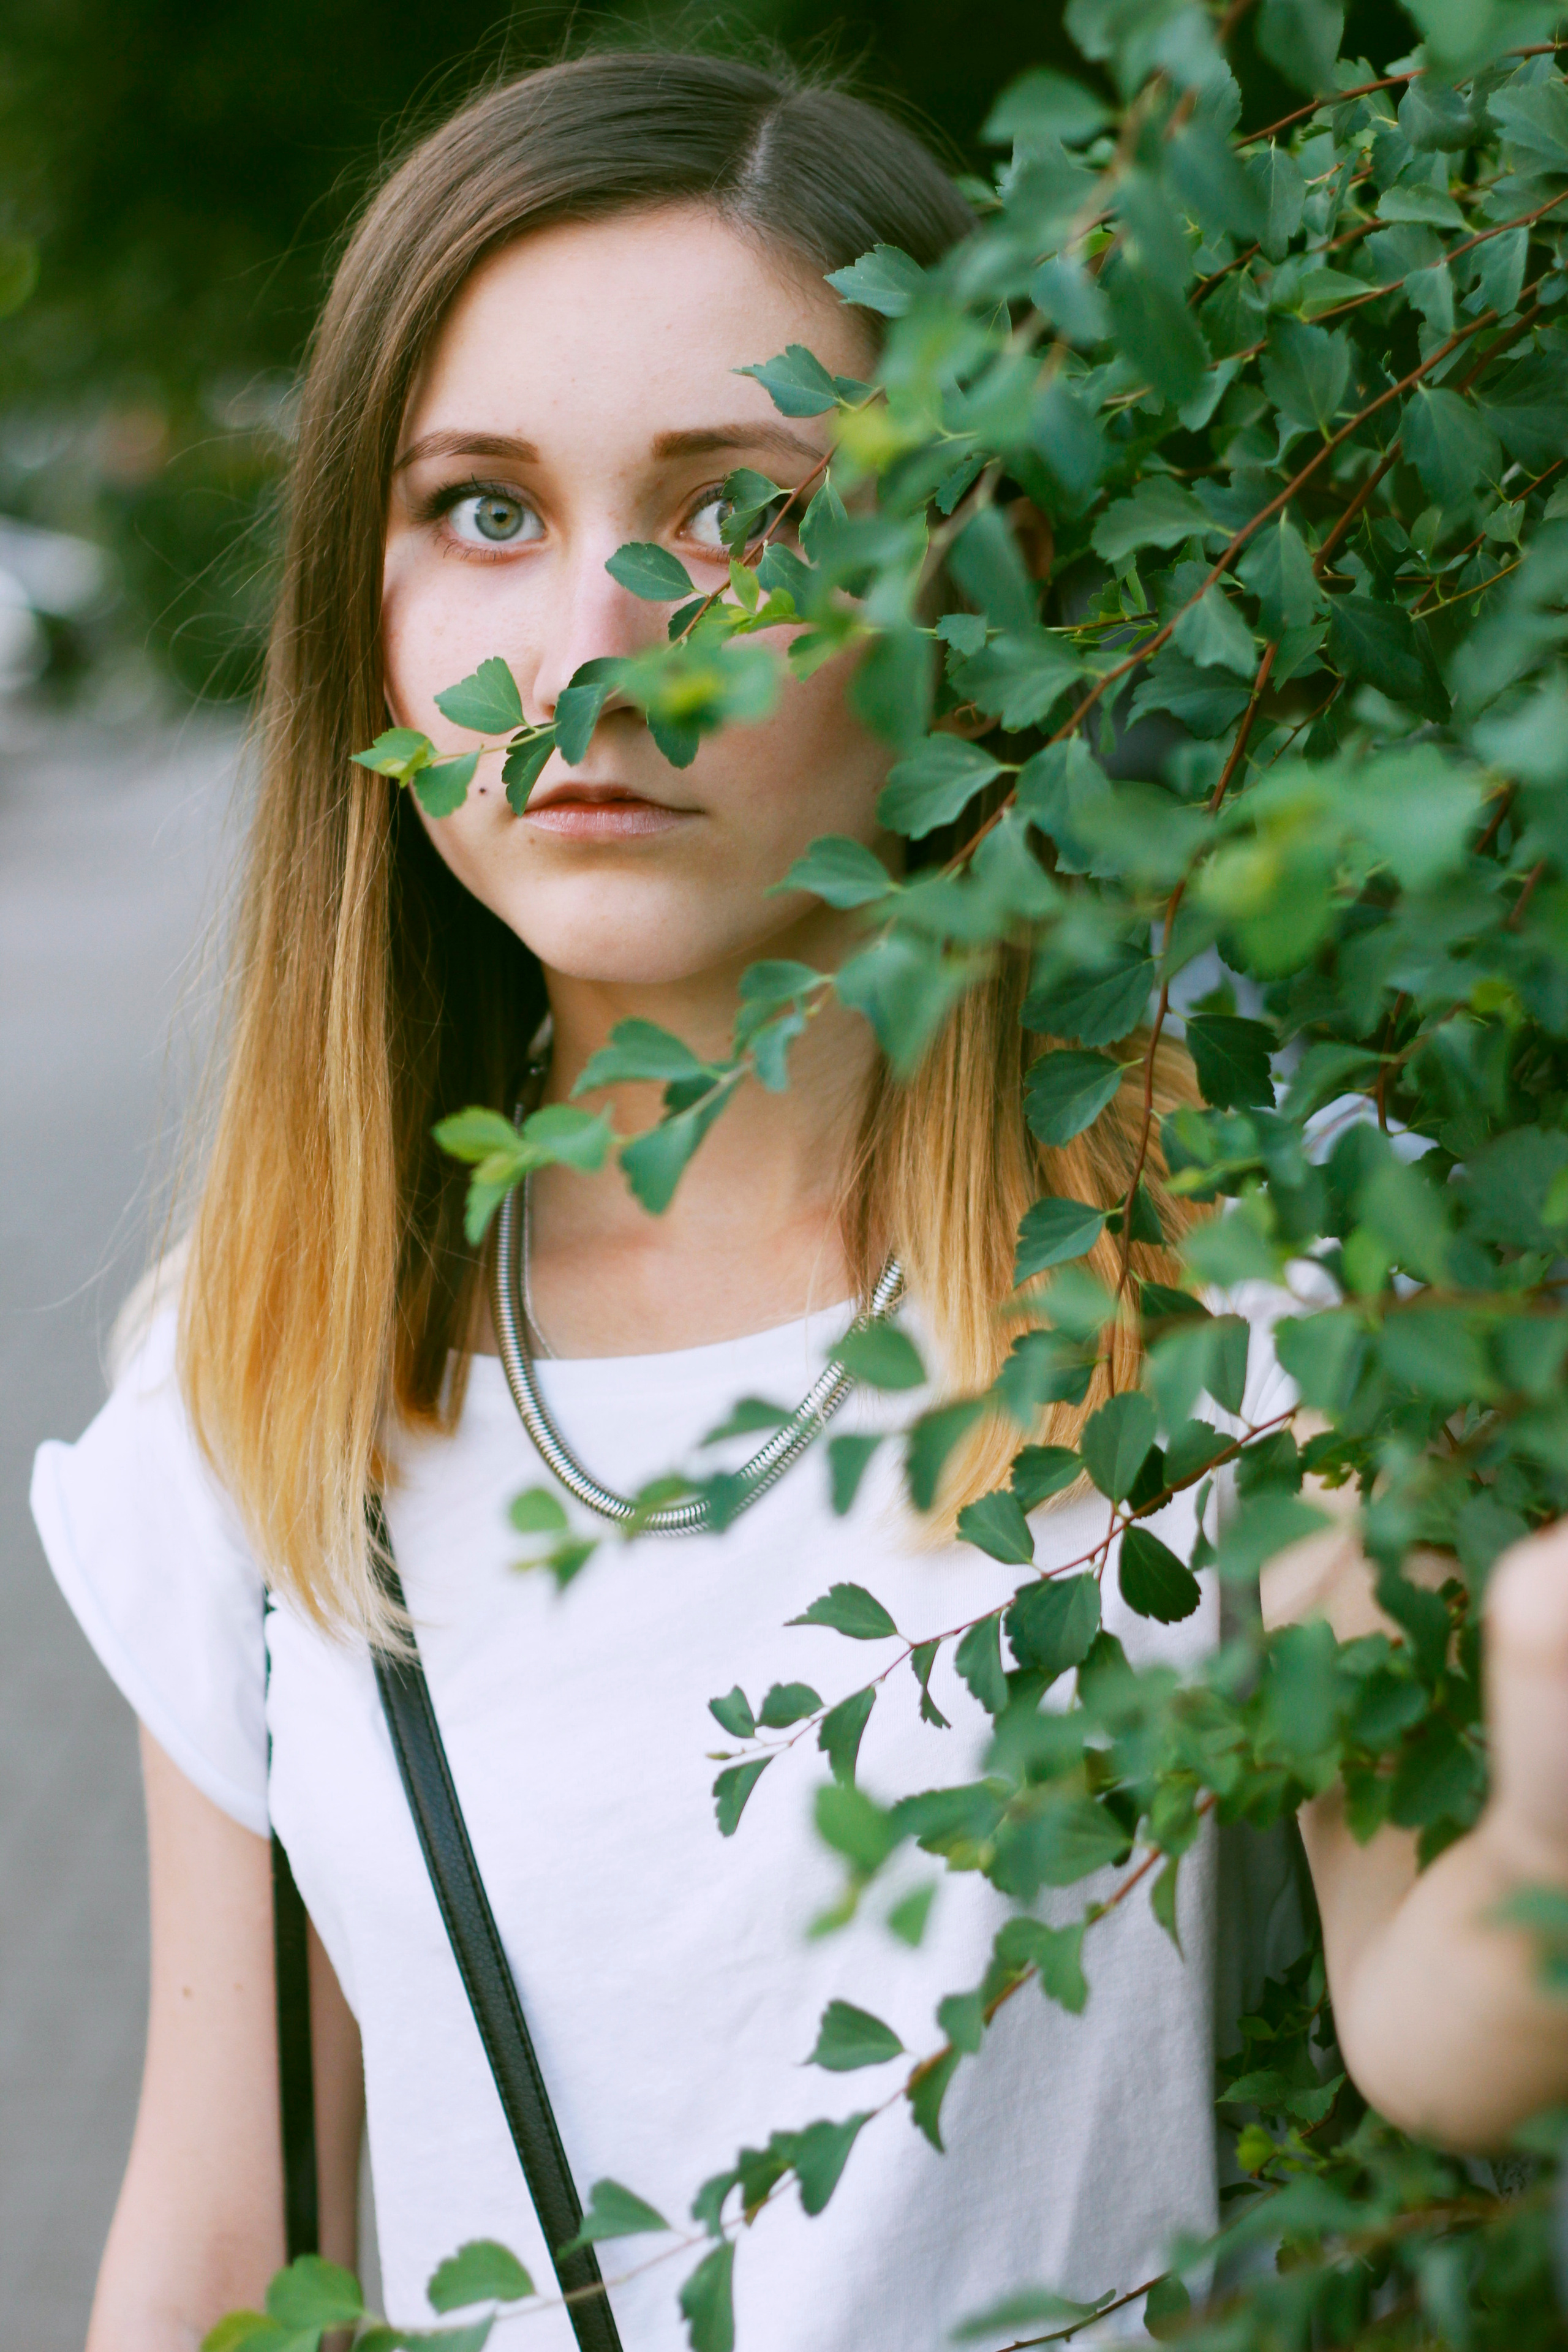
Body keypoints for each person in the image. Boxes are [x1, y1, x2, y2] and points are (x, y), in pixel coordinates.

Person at [29, 48, 1568, 2352]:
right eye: (483, 510)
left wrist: (1539, 1832)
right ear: (362, 603)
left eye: (742, 515)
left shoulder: (1247, 1261)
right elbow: (221, 2245)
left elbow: (1434, 2023)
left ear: (977, 579)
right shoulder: (272, 1358)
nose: (595, 656)